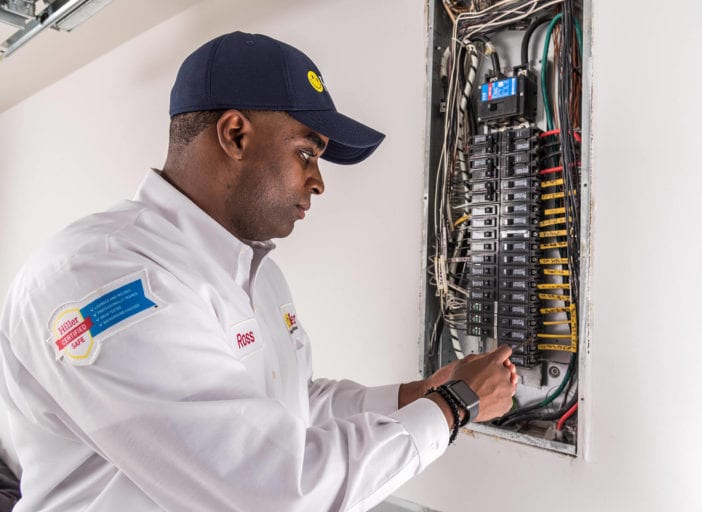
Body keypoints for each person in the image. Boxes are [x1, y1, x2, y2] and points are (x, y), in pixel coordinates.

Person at [0, 32, 518, 511]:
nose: (318, 182)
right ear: (235, 134)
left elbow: (287, 406)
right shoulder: (103, 275)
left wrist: (418, 393)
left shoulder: (255, 271)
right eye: (306, 152)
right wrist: (455, 405)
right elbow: (273, 491)